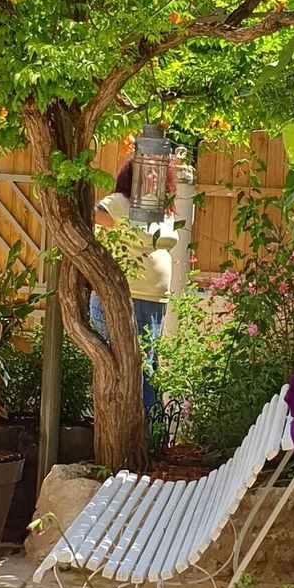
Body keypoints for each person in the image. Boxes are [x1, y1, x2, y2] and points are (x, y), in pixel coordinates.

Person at [90, 159, 179, 409]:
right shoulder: (120, 202)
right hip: (125, 297)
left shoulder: (162, 209)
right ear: (132, 177)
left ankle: (149, 434)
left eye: (157, 174)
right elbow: (92, 217)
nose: (152, 178)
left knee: (148, 365)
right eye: (145, 173)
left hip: (154, 300)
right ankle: (137, 430)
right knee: (130, 367)